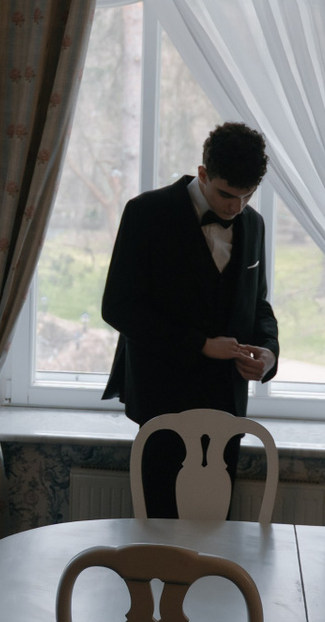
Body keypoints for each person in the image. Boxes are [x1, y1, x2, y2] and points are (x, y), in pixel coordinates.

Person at [100, 122, 280, 517]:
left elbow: (257, 304)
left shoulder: (254, 224)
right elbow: (118, 307)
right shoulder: (145, 213)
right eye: (227, 194)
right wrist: (199, 344)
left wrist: (269, 353)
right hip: (162, 398)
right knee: (158, 526)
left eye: (248, 195)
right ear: (202, 173)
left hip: (226, 401)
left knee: (217, 529)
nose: (236, 207)